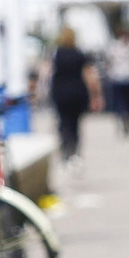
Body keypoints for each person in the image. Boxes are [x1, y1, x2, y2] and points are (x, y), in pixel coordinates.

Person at [48, 28, 102, 163]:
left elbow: (48, 72)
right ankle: (74, 149)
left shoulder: (57, 54)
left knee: (63, 120)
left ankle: (66, 146)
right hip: (77, 92)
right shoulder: (79, 54)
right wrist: (96, 94)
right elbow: (90, 75)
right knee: (75, 122)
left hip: (60, 92)